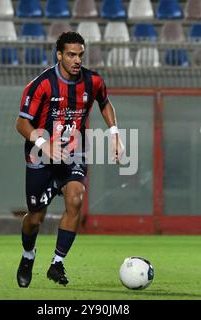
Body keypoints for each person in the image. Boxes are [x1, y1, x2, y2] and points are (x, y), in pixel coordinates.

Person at [15, 31, 124, 287]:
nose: (77, 60)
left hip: (74, 151)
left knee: (76, 197)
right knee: (35, 218)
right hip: (40, 155)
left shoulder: (92, 81)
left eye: (80, 55)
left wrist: (115, 134)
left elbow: (105, 103)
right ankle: (28, 255)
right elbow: (21, 124)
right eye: (72, 55)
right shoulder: (41, 84)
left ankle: (57, 263)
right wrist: (44, 143)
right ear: (60, 55)